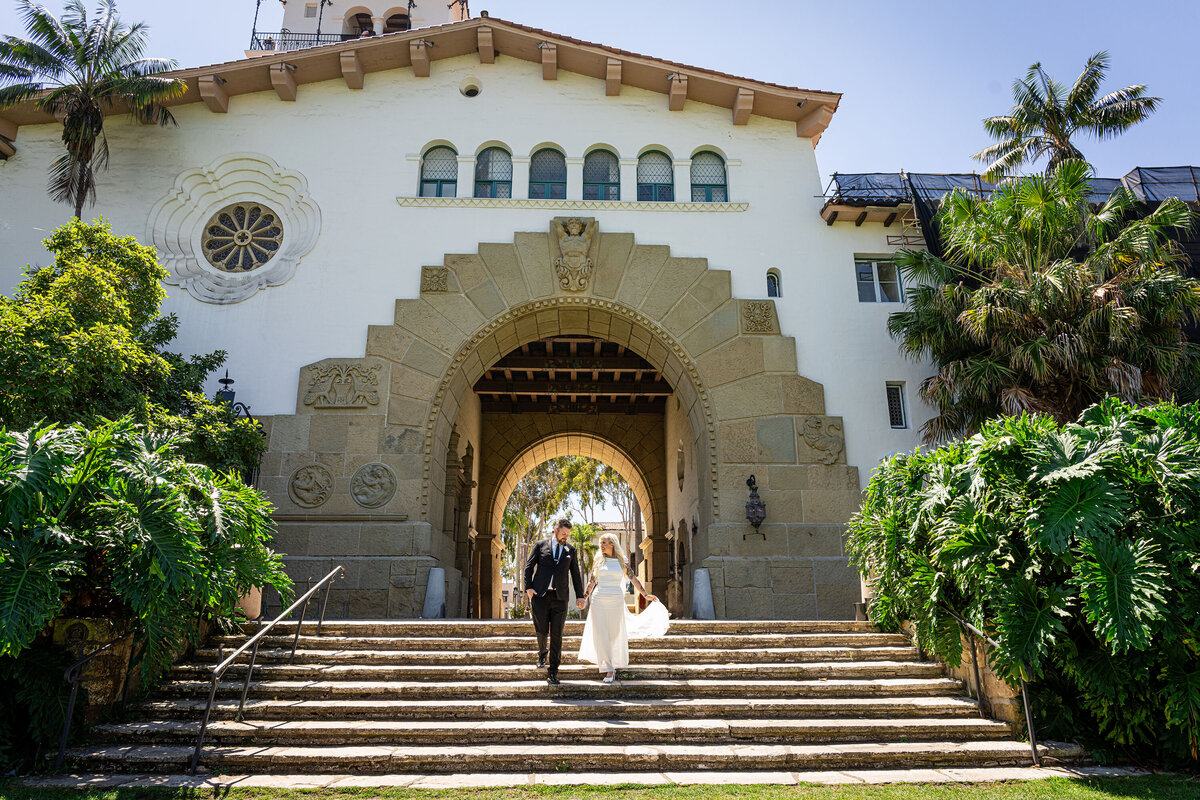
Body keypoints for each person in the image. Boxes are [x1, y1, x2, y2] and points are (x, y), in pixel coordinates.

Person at [579, 532, 669, 683]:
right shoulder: (598, 562)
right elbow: (592, 581)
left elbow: (633, 579)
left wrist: (645, 595)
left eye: (604, 543)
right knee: (600, 634)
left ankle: (612, 661)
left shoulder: (622, 562)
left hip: (615, 600)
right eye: (600, 543)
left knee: (614, 634)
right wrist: (584, 598)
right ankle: (608, 669)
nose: (601, 546)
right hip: (598, 599)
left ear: (612, 544)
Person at [524, 519, 584, 685]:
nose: (566, 537)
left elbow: (576, 574)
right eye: (564, 533)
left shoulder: (570, 550)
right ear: (555, 530)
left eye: (568, 535)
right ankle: (543, 653)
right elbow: (529, 567)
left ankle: (553, 671)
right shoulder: (540, 545)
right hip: (540, 596)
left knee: (557, 634)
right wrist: (528, 588)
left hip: (560, 598)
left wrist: (580, 596)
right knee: (541, 630)